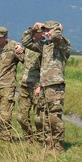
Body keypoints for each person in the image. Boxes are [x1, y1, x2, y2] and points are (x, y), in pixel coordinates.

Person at [23, 21, 71, 153]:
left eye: (48, 30)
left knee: (54, 117)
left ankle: (58, 145)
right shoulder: (44, 46)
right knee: (43, 117)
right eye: (45, 30)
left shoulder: (62, 44)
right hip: (44, 85)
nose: (46, 33)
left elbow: (56, 37)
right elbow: (26, 42)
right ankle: (48, 144)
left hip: (55, 86)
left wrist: (56, 29)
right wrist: (33, 29)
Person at [0, 27, 24, 142]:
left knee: (5, 115)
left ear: (5, 37)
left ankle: (5, 138)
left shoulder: (13, 47)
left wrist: (20, 48)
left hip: (7, 85)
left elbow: (24, 59)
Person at [17, 24, 46, 143]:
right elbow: (25, 43)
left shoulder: (43, 47)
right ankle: (29, 138)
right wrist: (18, 51)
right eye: (34, 32)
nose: (35, 34)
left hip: (37, 86)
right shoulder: (29, 47)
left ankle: (41, 140)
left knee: (39, 118)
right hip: (25, 85)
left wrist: (40, 86)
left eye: (37, 32)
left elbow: (46, 69)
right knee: (21, 117)